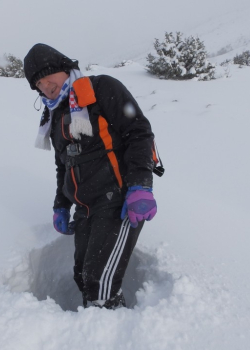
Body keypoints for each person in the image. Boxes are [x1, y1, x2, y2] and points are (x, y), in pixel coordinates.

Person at [24, 43, 160, 309]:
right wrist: (61, 206)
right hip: (85, 208)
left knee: (100, 284)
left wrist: (141, 185)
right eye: (38, 83)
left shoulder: (101, 88)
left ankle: (113, 339)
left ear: (64, 69)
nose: (45, 86)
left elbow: (139, 131)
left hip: (118, 201)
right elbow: (63, 165)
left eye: (48, 76)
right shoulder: (54, 115)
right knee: (83, 277)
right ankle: (95, 333)